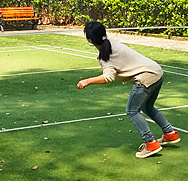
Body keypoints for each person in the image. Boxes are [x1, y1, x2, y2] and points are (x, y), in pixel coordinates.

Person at [76, 21, 181, 158]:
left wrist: (87, 81)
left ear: (90, 40)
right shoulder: (111, 43)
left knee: (132, 111)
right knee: (148, 107)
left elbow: (108, 77)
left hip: (146, 78)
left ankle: (151, 143)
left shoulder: (105, 56)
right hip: (157, 72)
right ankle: (170, 134)